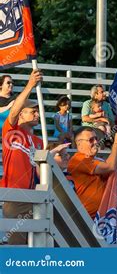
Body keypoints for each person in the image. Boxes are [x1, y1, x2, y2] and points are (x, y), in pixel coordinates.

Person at [0, 70, 43, 244]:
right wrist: (30, 84)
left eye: (37, 112)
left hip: (38, 198)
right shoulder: (11, 132)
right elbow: (13, 111)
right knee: (16, 248)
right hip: (16, 197)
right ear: (21, 114)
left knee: (40, 246)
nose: (37, 114)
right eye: (32, 111)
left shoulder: (39, 141)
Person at [67, 127, 117, 218]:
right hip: (84, 219)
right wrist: (116, 144)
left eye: (96, 139)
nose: (96, 142)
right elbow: (110, 166)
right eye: (91, 140)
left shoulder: (96, 161)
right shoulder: (78, 159)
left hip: (98, 219)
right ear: (79, 144)